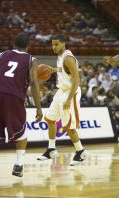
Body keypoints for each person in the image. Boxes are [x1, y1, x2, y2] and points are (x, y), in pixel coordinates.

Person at [0, 32, 43, 182]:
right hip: (14, 98)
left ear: (14, 43)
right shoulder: (31, 59)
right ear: (28, 46)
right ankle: (18, 165)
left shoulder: (2, 54)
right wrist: (38, 108)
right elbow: (33, 82)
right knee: (22, 131)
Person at [37, 34, 87, 166]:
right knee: (50, 119)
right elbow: (65, 71)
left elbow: (77, 79)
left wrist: (69, 99)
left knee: (69, 126)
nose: (53, 47)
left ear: (63, 44)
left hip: (71, 92)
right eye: (52, 44)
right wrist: (55, 69)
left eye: (56, 44)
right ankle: (51, 149)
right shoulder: (60, 56)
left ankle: (80, 151)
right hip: (61, 91)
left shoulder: (68, 58)